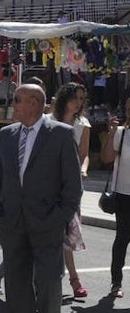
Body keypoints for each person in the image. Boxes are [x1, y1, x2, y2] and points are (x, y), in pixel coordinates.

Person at [0, 84, 83, 313]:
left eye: (17, 100)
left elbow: (72, 187)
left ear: (33, 103)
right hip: (12, 222)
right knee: (16, 281)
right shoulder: (6, 134)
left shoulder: (61, 135)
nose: (13, 104)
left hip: (47, 223)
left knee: (49, 280)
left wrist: (58, 219)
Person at [52, 82, 90, 299]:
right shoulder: (49, 121)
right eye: (75, 97)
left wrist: (83, 170)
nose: (78, 103)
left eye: (82, 99)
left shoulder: (82, 123)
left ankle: (74, 280)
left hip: (71, 184)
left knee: (67, 231)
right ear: (65, 98)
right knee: (49, 232)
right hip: (50, 182)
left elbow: (84, 154)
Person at [101, 98, 130, 299]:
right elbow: (107, 159)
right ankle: (116, 282)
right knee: (122, 239)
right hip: (123, 195)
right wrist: (112, 133)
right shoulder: (122, 133)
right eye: (128, 108)